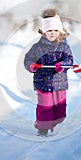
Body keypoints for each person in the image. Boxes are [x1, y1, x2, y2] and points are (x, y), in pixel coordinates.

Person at [24, 8, 73, 136]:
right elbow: (28, 59)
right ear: (44, 32)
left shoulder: (64, 47)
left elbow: (69, 60)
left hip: (59, 83)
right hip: (42, 82)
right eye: (49, 30)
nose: (52, 33)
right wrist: (31, 66)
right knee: (44, 107)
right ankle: (42, 128)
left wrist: (62, 65)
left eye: (55, 30)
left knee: (60, 109)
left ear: (60, 32)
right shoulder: (37, 47)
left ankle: (56, 123)